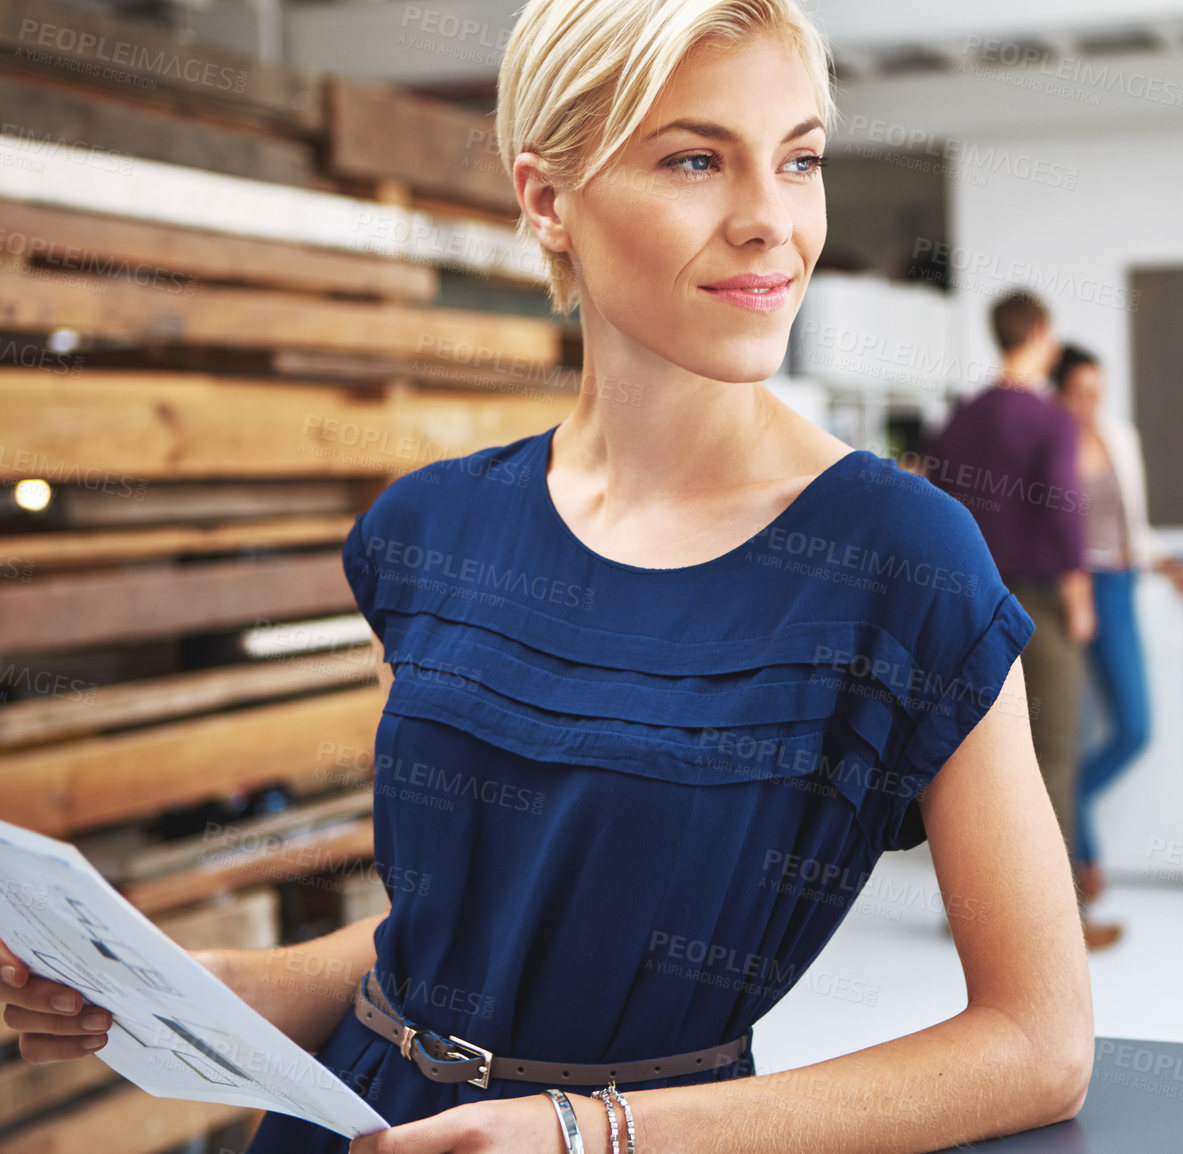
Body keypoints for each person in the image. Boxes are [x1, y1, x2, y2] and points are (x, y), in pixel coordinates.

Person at [0, 4, 1095, 1151]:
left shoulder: (902, 561)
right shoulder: (432, 527)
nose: (772, 220)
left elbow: (1039, 1042)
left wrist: (589, 1132)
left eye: (800, 159)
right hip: (351, 1120)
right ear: (546, 199)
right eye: (694, 159)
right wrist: (214, 981)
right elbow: (446, 935)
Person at [922, 293, 1121, 951]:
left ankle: (974, 913)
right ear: (1039, 334)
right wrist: (1080, 599)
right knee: (1055, 753)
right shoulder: (1050, 420)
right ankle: (1058, 918)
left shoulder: (960, 418)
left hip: (970, 601)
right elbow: (1064, 515)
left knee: (975, 758)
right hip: (1036, 602)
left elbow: (937, 505)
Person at [1050, 345, 1183, 909]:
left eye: (1097, 392)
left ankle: (1070, 811)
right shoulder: (1047, 446)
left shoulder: (1119, 439)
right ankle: (1080, 857)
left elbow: (1134, 527)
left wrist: (1175, 569)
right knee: (1064, 734)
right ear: (1057, 393)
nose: (1089, 404)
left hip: (1119, 587)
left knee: (1134, 728)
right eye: (1078, 392)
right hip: (1068, 590)